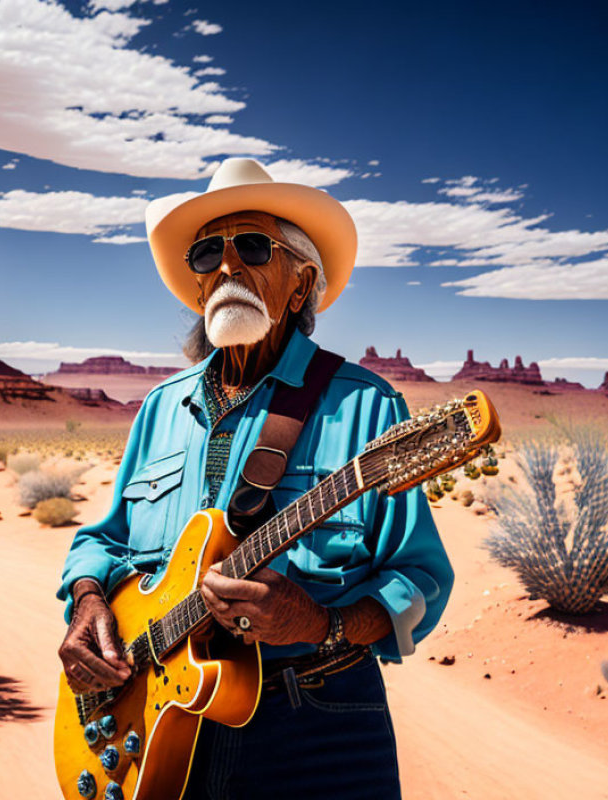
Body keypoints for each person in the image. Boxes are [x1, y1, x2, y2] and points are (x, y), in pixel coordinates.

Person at [57, 158, 454, 799]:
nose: (226, 267)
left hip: (315, 725)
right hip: (159, 722)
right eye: (208, 251)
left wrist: (319, 623)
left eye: (250, 247)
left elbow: (419, 580)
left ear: (301, 285)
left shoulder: (368, 407)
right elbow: (103, 543)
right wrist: (88, 602)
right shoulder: (161, 406)